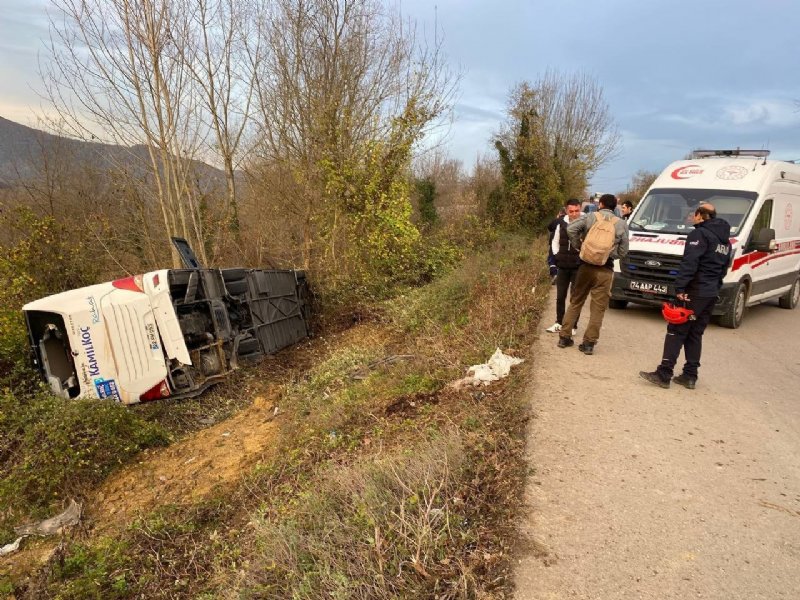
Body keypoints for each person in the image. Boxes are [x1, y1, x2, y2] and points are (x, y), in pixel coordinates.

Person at [639, 204, 731, 389]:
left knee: (676, 330)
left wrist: (680, 288)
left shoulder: (699, 234)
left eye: (694, 214)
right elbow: (723, 268)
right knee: (695, 333)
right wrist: (715, 287)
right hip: (710, 293)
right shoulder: (725, 242)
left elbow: (690, 263)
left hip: (694, 291)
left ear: (701, 216)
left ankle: (664, 373)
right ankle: (690, 375)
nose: (691, 218)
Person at [557, 194, 629, 355]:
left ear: (600, 204)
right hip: (605, 270)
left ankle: (564, 337)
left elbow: (570, 229)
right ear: (615, 206)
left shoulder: (590, 217)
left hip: (585, 267)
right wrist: (609, 255)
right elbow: (624, 251)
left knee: (576, 302)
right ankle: (589, 344)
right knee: (598, 308)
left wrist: (580, 247)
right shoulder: (621, 224)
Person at [546, 199, 582, 334]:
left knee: (575, 297)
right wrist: (557, 256)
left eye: (576, 211)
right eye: (571, 211)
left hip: (577, 266)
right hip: (562, 266)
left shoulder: (585, 223)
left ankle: (573, 325)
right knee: (560, 296)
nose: (574, 214)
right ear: (567, 210)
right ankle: (559, 322)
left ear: (580, 209)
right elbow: (554, 242)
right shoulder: (560, 223)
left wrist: (581, 257)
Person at [546, 207, 565, 284]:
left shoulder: (556, 220)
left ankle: (554, 274)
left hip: (554, 242)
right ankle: (562, 275)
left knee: (552, 258)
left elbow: (549, 228)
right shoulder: (567, 221)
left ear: (560, 213)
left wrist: (556, 219)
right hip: (564, 244)